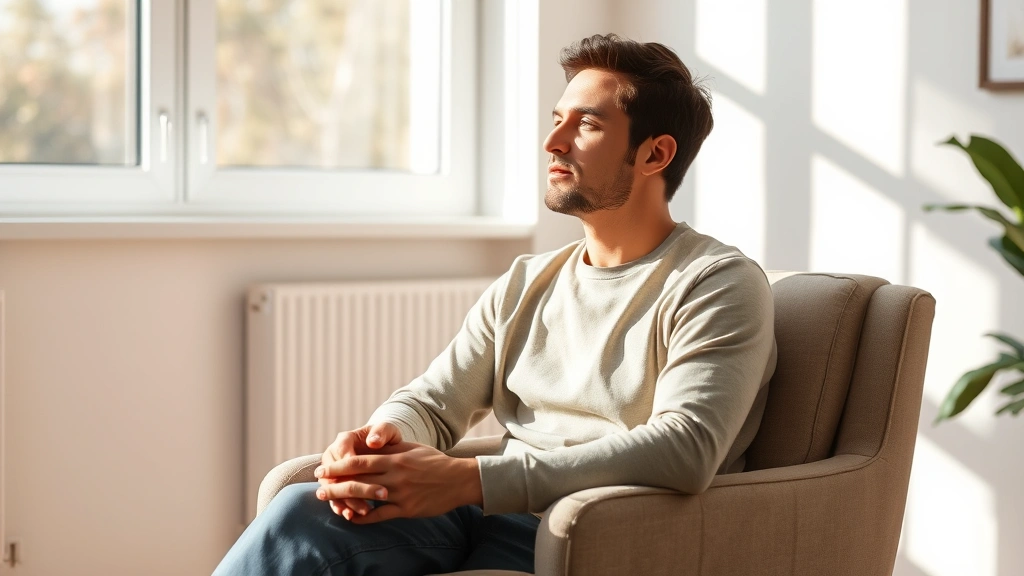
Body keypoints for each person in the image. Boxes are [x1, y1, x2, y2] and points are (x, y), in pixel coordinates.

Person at [214, 33, 777, 575]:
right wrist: (379, 443)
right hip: (480, 512)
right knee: (299, 510)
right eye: (557, 120)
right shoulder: (527, 280)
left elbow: (686, 447)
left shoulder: (717, 283)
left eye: (587, 124)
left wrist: (472, 480)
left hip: (590, 529)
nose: (553, 143)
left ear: (655, 153)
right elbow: (432, 404)